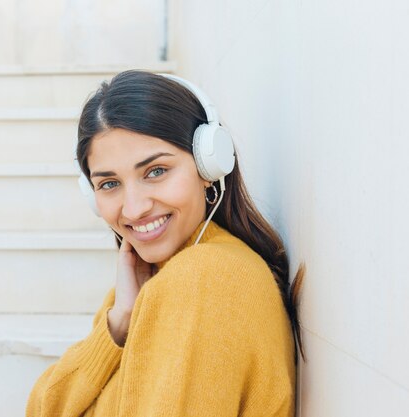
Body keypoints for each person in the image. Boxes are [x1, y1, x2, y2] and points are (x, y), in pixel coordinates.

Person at [26, 70, 305, 417]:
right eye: (109, 184)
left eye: (156, 171)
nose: (134, 208)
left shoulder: (205, 279)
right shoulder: (146, 285)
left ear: (208, 165)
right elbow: (42, 407)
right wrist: (117, 326)